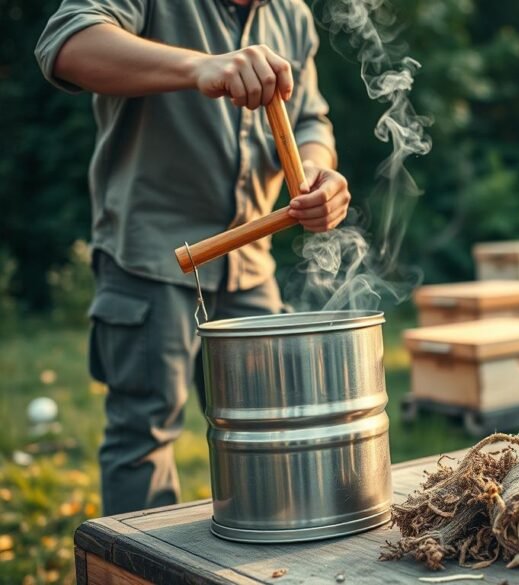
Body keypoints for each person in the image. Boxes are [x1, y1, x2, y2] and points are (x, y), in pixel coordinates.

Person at [35, 0, 351, 515]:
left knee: (273, 433)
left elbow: (312, 119)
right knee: (143, 439)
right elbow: (66, 43)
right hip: (148, 258)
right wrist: (199, 66)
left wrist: (317, 171)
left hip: (250, 265)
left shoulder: (290, 14)